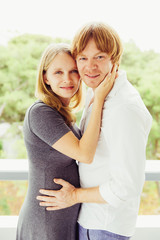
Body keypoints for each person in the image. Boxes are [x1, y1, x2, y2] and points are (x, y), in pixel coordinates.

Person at [37, 23, 152, 240]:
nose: (90, 67)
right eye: (82, 58)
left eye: (99, 57)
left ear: (114, 59)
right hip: (90, 220)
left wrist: (74, 196)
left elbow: (126, 186)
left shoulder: (123, 108)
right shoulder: (96, 92)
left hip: (105, 226)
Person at [16, 42, 116, 240]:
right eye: (58, 72)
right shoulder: (41, 112)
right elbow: (85, 154)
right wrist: (99, 97)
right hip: (46, 219)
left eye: (73, 71)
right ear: (45, 77)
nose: (68, 79)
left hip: (63, 215)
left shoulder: (61, 112)